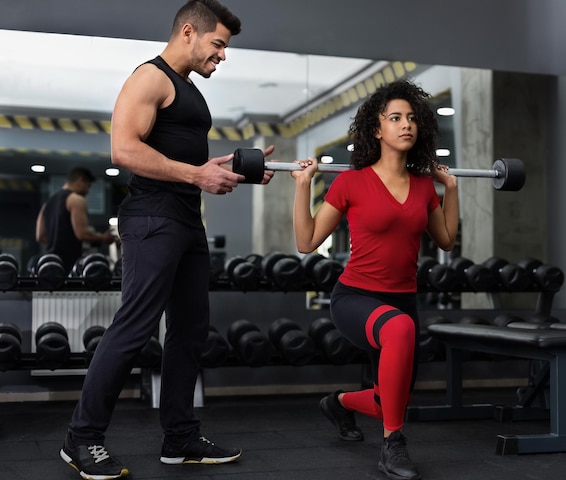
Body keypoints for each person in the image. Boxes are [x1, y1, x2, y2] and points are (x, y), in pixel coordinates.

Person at [59, 1, 274, 479]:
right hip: (153, 218)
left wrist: (226, 169)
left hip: (184, 220)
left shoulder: (186, 89)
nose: (221, 56)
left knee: (190, 330)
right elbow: (124, 148)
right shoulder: (150, 77)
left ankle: (179, 438)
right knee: (135, 328)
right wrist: (195, 176)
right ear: (188, 33)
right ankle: (83, 437)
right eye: (217, 45)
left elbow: (180, 156)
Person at [291, 79, 459, 480]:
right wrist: (303, 187)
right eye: (395, 118)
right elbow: (307, 241)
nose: (406, 125)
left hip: (403, 300)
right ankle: (392, 446)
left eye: (412, 118)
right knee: (399, 332)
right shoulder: (350, 182)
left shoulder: (423, 188)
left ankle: (340, 403)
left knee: (392, 401)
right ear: (376, 129)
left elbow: (447, 241)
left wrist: (450, 187)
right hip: (355, 298)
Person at [35, 166, 117, 274]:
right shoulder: (76, 200)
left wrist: (62, 243)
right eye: (88, 186)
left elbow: (40, 237)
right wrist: (104, 238)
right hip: (69, 265)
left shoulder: (47, 203)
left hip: (50, 265)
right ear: (80, 180)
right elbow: (82, 234)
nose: (88, 191)